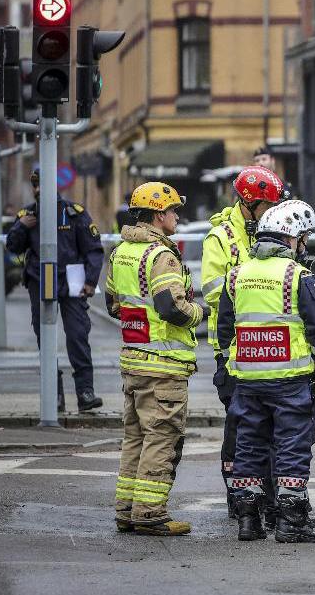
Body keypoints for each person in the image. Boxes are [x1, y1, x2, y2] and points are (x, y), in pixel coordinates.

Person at [216, 199, 315, 543]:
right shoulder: (300, 276)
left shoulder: (235, 276)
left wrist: (233, 364)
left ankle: (248, 522)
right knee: (291, 448)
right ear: (292, 238)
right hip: (291, 381)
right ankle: (291, 523)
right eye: (304, 237)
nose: (306, 244)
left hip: (248, 382)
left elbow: (224, 330)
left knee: (250, 445)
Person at [105, 182, 205, 536]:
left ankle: (127, 510)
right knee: (162, 437)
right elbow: (170, 308)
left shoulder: (122, 253)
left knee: (135, 437)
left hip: (133, 362)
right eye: (174, 211)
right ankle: (149, 514)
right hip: (163, 367)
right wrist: (199, 312)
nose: (178, 216)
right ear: (159, 214)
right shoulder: (161, 255)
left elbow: (113, 304)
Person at [200, 166, 285, 520]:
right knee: (238, 425)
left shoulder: (272, 230)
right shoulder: (220, 238)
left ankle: (264, 493)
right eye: (268, 205)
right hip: (232, 345)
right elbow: (210, 288)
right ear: (249, 203)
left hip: (269, 343)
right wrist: (249, 282)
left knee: (270, 426)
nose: (273, 212)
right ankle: (238, 494)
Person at [6, 166, 105, 413]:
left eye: (43, 185)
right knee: (46, 341)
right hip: (40, 281)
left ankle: (85, 392)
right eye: (35, 185)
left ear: (55, 186)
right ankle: (54, 396)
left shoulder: (74, 214)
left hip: (72, 284)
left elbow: (93, 249)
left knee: (77, 337)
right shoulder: (27, 215)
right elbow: (12, 247)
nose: (39, 190)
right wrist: (21, 226)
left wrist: (91, 282)